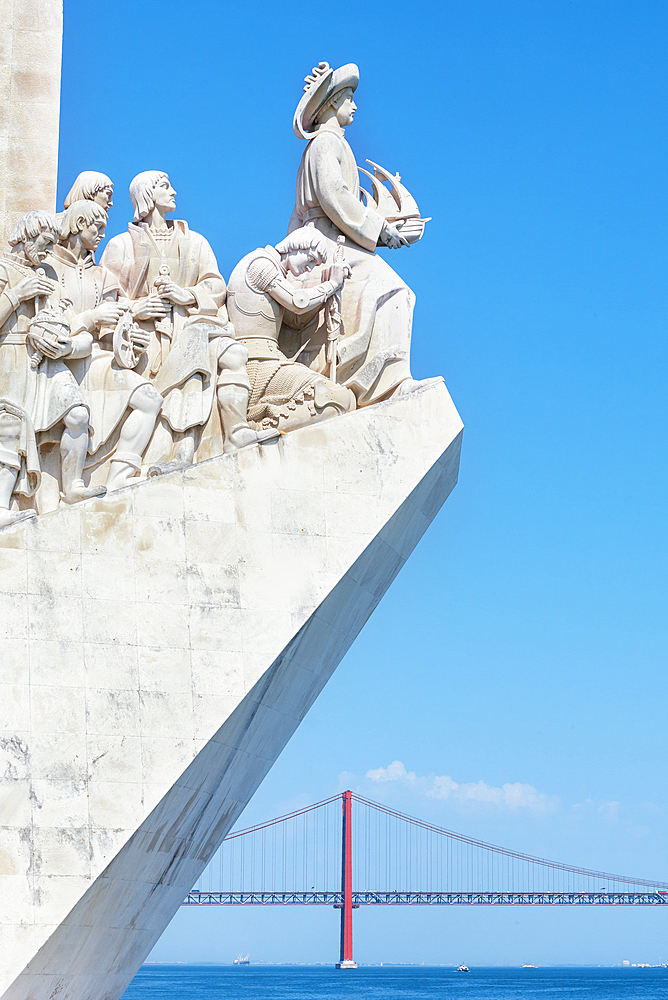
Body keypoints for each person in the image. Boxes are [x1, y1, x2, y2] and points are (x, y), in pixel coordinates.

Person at [101, 171, 274, 469]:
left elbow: (216, 285)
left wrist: (188, 294)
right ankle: (173, 454)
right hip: (145, 339)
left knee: (233, 353)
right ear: (147, 194)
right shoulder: (121, 245)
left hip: (191, 325)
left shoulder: (194, 241)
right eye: (165, 187)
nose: (174, 192)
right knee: (175, 384)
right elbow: (104, 298)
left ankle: (235, 430)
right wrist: (137, 307)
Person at [286, 62, 435, 405]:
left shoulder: (329, 145)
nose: (355, 106)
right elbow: (334, 195)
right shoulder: (325, 142)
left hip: (324, 238)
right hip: (325, 241)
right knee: (394, 290)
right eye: (349, 98)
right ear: (333, 103)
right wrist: (380, 229)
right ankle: (388, 385)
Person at [48, 200, 163, 491]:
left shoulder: (103, 277)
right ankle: (71, 486)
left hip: (97, 360)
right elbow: (51, 322)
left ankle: (119, 477)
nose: (101, 235)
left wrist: (131, 343)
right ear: (78, 225)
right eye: (97, 227)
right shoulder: (48, 268)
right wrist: (91, 317)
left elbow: (111, 337)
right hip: (61, 361)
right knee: (77, 417)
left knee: (150, 399)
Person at [0, 209, 105, 506]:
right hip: (11, 356)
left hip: (48, 361)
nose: (48, 253)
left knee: (78, 414)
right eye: (45, 243)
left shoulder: (47, 278)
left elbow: (78, 329)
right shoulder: (3, 270)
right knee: (9, 429)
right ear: (27, 236)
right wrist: (17, 294)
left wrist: (68, 347)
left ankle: (72, 485)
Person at [226, 228, 355, 431]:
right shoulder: (261, 264)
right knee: (337, 398)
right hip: (257, 364)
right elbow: (298, 302)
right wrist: (331, 284)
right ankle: (260, 430)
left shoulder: (275, 270)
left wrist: (328, 287)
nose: (310, 267)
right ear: (298, 246)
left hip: (268, 361)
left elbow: (296, 321)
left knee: (341, 399)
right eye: (311, 259)